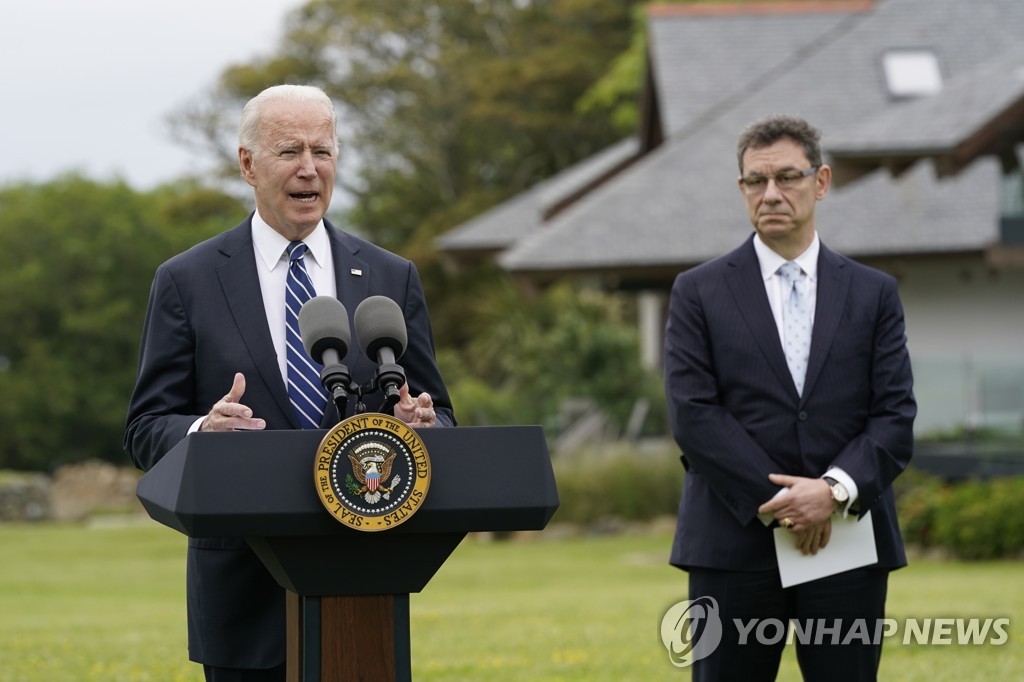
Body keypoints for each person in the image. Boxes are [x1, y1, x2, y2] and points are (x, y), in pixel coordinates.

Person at [124, 84, 454, 681]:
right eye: (289, 152)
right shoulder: (187, 281)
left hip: (366, 588)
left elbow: (441, 414)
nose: (309, 169)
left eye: (322, 152)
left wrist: (422, 425)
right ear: (247, 164)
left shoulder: (389, 276)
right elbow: (146, 428)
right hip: (242, 598)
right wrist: (205, 429)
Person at [663, 114, 915, 681]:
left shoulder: (874, 294)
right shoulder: (698, 292)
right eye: (756, 181)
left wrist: (831, 491)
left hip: (847, 543)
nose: (771, 193)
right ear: (742, 189)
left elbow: (894, 416)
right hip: (733, 544)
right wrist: (783, 504)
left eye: (787, 177)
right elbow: (694, 415)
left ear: (820, 182)